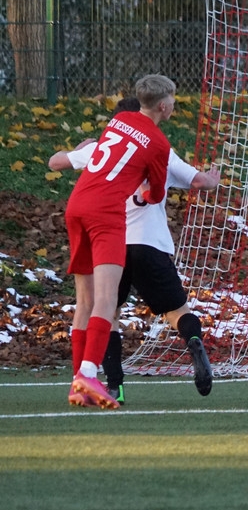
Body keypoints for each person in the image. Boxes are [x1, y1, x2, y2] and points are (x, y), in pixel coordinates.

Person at [50, 97, 221, 403]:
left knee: (106, 311)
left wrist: (77, 150)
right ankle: (193, 340)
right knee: (176, 311)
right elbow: (198, 181)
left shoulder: (102, 147)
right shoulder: (160, 149)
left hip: (106, 236)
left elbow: (55, 162)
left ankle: (113, 385)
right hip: (148, 243)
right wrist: (212, 178)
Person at [62, 74, 174, 409]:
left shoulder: (120, 119)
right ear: (164, 106)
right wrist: (146, 192)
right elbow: (156, 192)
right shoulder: (159, 143)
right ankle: (88, 374)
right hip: (105, 214)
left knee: (85, 301)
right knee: (106, 300)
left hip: (77, 205)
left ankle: (78, 383)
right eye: (173, 100)